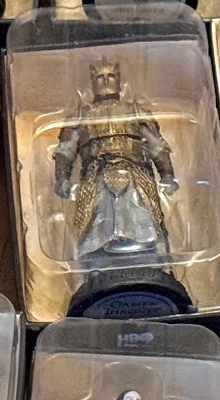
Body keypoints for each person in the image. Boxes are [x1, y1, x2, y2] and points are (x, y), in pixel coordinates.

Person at [51, 60, 177, 264]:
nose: (105, 81)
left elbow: (157, 146)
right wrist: (62, 178)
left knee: (141, 215)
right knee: (99, 220)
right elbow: (65, 151)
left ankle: (147, 256)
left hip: (135, 174)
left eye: (111, 76)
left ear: (119, 80)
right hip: (96, 175)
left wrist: (168, 174)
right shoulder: (81, 115)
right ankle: (97, 260)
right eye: (100, 77)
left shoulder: (136, 111)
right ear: (93, 81)